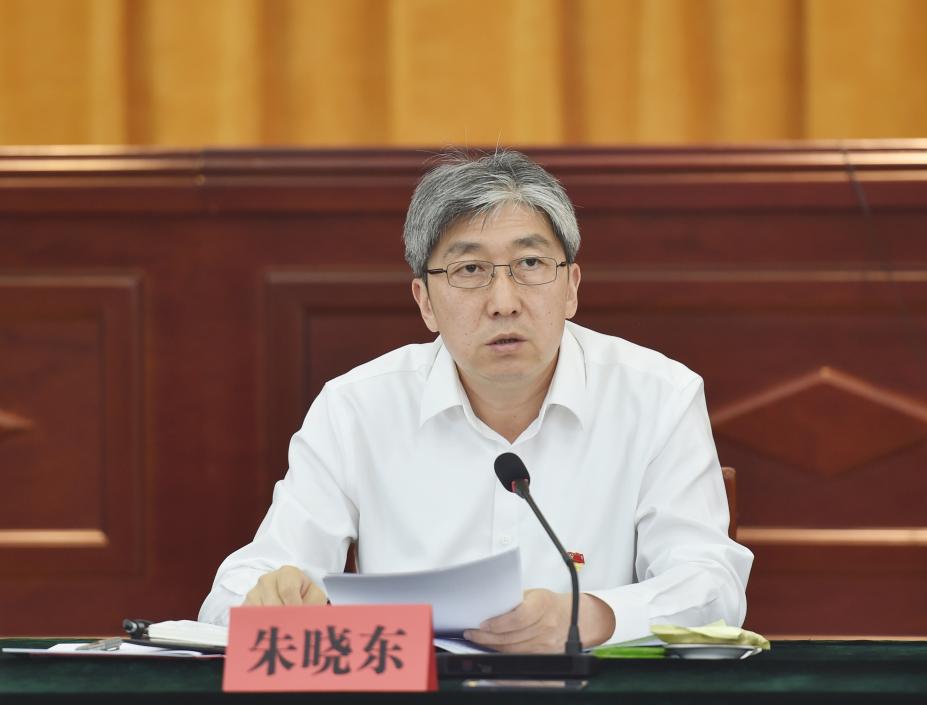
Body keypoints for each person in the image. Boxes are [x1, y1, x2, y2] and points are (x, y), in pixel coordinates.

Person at [199, 149, 753, 652]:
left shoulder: (659, 397)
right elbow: (232, 597)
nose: (504, 302)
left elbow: (712, 586)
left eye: (530, 264)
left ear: (571, 287)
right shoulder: (356, 409)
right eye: (470, 270)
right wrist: (267, 598)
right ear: (425, 302)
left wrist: (591, 616)